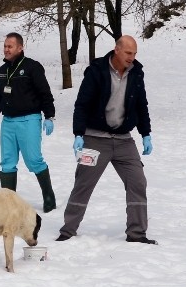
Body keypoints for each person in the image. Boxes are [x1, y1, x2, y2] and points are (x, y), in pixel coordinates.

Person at [56, 35, 156, 244]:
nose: (132, 57)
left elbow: (141, 105)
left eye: (135, 53)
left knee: (138, 182)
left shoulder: (136, 73)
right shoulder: (97, 71)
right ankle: (68, 230)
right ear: (116, 50)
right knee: (83, 183)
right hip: (95, 138)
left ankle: (137, 234)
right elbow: (81, 104)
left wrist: (146, 134)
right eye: (129, 53)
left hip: (124, 140)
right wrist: (78, 134)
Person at [0, 32, 57, 212]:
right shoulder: (1, 72)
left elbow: (44, 93)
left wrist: (49, 116)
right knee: (7, 162)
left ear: (20, 47)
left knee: (34, 160)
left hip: (29, 120)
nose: (6, 49)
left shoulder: (32, 67)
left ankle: (49, 196)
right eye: (5, 46)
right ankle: (8, 203)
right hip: (8, 123)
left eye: (10, 46)